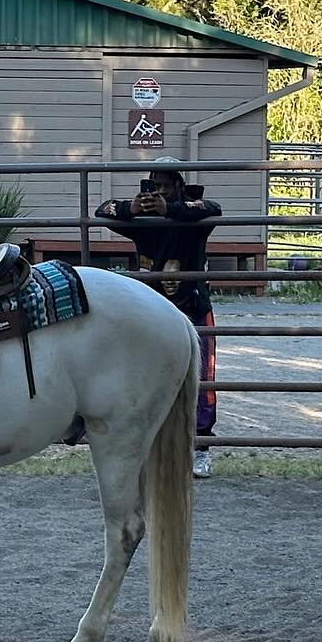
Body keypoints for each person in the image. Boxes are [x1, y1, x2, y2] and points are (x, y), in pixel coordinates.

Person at [95, 158, 222, 477]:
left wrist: (170, 209)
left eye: (167, 185)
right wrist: (132, 209)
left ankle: (201, 446)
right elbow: (103, 210)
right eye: (155, 186)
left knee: (202, 378)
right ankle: (150, 444)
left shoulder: (192, 214)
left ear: (180, 187)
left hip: (193, 304)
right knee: (147, 375)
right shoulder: (141, 221)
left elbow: (212, 208)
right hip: (152, 310)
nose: (160, 192)